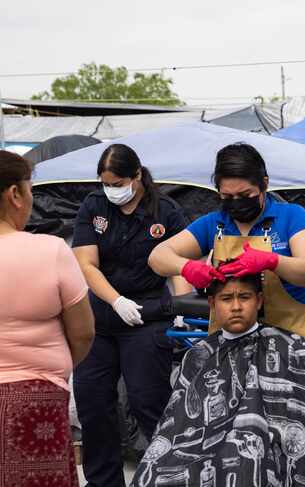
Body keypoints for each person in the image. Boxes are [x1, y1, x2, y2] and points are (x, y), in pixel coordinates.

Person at [132, 272, 305, 487]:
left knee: (245, 466)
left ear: (258, 301)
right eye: (226, 299)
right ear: (212, 303)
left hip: (268, 442)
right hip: (202, 445)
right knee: (152, 470)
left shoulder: (290, 349)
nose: (236, 307)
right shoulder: (198, 355)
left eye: (244, 297)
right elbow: (178, 422)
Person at [72, 144, 189, 487]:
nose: (112, 189)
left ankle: (165, 478)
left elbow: (181, 264)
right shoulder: (94, 206)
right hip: (101, 319)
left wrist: (183, 307)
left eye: (118, 182)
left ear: (137, 176)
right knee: (94, 405)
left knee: (148, 401)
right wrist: (115, 300)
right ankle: (103, 482)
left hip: (148, 317)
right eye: (106, 182)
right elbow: (85, 264)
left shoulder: (164, 211)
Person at [148, 142, 305, 344]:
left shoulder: (291, 216)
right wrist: (187, 267)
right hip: (234, 342)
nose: (236, 202)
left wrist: (273, 261)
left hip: (297, 337)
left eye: (245, 195)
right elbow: (158, 256)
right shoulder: (213, 224)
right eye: (227, 196)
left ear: (265, 184)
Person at [0, 151, 94, 487]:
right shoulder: (50, 251)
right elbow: (83, 333)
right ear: (14, 194)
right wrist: (57, 366)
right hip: (38, 399)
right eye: (30, 191)